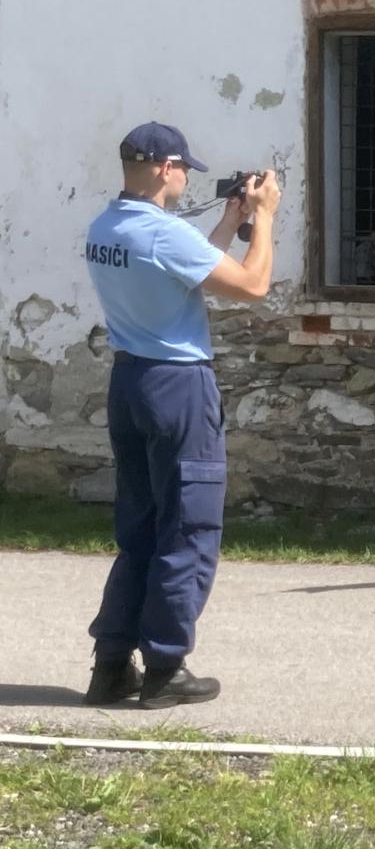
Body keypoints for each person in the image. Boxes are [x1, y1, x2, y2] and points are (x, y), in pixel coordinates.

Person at [82, 122, 280, 708]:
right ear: (167, 168)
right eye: (185, 169)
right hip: (178, 386)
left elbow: (180, 273)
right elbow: (253, 286)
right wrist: (264, 219)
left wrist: (228, 225)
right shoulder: (162, 234)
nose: (188, 179)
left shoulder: (107, 227)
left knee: (141, 529)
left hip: (131, 380)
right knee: (189, 527)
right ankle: (166, 668)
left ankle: (111, 665)